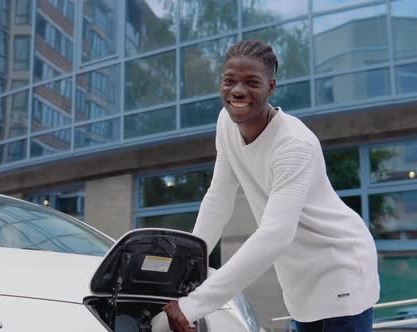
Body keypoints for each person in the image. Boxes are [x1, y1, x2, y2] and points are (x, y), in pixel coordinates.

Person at [162, 40, 380, 332]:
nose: (238, 91)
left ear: (271, 87)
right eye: (229, 81)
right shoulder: (226, 123)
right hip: (300, 284)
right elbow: (218, 199)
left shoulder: (294, 144)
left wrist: (193, 306)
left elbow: (275, 235)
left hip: (339, 269)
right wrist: (187, 266)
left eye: (251, 82)